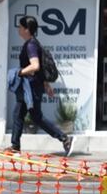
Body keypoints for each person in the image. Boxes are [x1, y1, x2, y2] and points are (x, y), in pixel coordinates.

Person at [7, 16, 72, 156]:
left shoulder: (31, 45)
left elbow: (35, 66)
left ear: (26, 29)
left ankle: (64, 138)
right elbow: (40, 68)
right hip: (30, 86)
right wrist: (46, 84)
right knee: (18, 114)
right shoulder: (34, 43)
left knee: (35, 117)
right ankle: (15, 147)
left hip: (30, 87)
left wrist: (20, 72)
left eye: (20, 27)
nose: (18, 29)